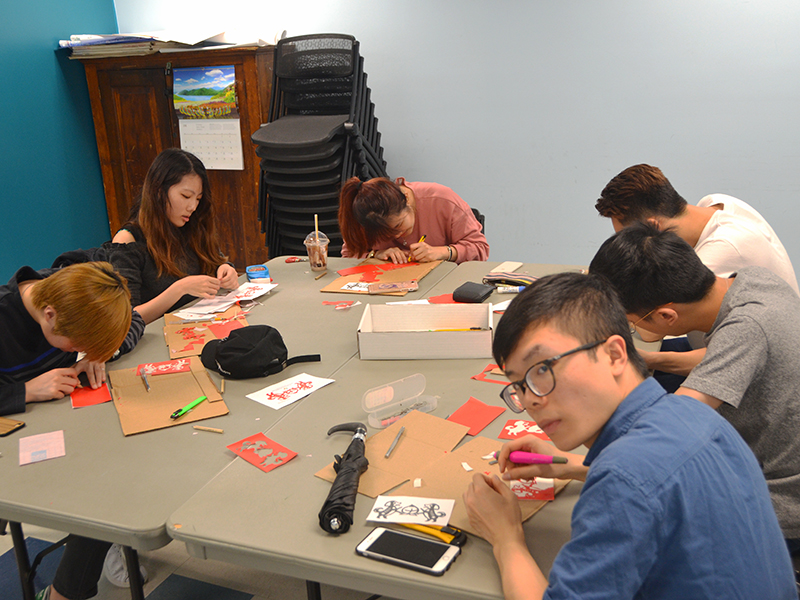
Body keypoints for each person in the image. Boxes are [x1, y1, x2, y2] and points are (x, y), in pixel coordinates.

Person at [462, 272, 795, 599]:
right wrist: (570, 467)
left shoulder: (622, 482)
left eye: (542, 369)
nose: (531, 398)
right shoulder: (695, 415)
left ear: (614, 354)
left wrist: (506, 538)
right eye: (518, 385)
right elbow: (657, 482)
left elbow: (633, 484)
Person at [590, 223, 800, 550]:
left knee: (630, 521)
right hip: (768, 460)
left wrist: (571, 459)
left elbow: (669, 432)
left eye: (632, 322)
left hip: (781, 506)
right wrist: (650, 359)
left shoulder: (745, 331)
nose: (633, 328)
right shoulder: (756, 281)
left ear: (665, 317)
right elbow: (724, 360)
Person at [0, 261, 139, 600]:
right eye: (75, 343)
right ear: (49, 315)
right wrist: (27, 391)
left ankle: (62, 594)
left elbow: (135, 321)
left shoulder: (73, 288)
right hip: (12, 446)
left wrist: (99, 355)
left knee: (118, 478)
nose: (75, 349)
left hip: (65, 434)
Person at [594, 163, 798, 383]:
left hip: (751, 366)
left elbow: (652, 330)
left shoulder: (723, 251)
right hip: (725, 341)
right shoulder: (716, 204)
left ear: (652, 228)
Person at [108, 148, 239, 324]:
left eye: (198, 199)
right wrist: (180, 289)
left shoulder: (191, 225)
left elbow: (216, 261)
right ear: (159, 191)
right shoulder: (128, 240)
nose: (192, 207)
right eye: (185, 196)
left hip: (201, 325)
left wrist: (226, 270)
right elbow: (125, 318)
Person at [338, 176, 489, 264]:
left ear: (408, 200)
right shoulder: (367, 213)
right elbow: (348, 255)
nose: (397, 236)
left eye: (398, 225)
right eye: (386, 234)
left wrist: (443, 252)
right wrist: (375, 255)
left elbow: (480, 248)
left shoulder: (441, 200)